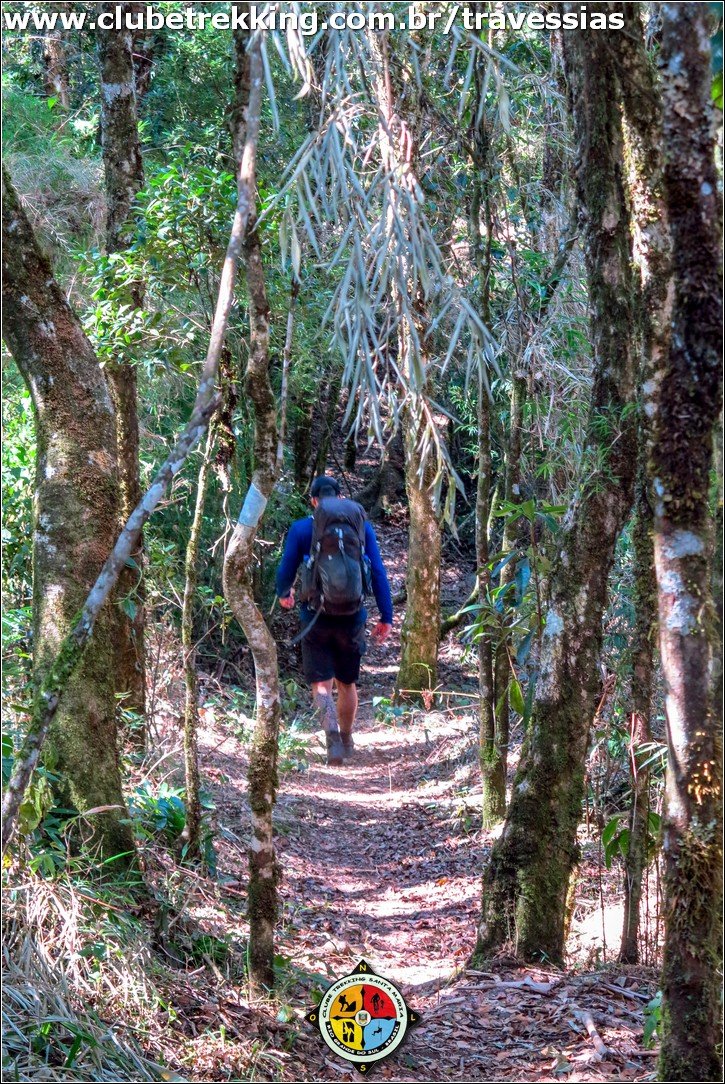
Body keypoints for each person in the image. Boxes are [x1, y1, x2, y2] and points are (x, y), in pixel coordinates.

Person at [275, 475, 393, 765]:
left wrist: (284, 593)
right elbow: (378, 571)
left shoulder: (302, 528)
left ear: (313, 501)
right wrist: (386, 615)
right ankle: (347, 737)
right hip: (352, 616)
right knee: (347, 682)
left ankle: (332, 743)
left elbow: (286, 569)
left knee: (322, 684)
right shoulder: (361, 526)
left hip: (315, 616)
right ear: (340, 497)